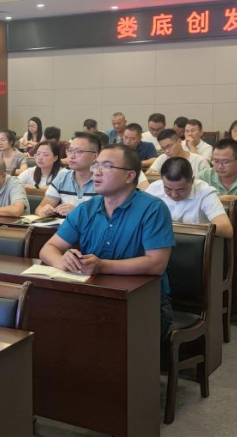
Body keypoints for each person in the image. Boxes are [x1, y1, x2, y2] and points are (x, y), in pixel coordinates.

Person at [39, 145, 175, 340]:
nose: (97, 172)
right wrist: (64, 262)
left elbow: (157, 264)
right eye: (96, 165)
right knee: (49, 321)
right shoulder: (86, 209)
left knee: (92, 335)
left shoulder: (153, 209)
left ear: (129, 176)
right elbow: (48, 249)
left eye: (107, 166)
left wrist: (102, 266)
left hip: (144, 302)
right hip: (94, 295)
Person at [146, 157, 233, 238]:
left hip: (195, 245)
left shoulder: (205, 193)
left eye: (180, 189)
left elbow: (226, 229)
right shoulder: (154, 189)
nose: (174, 195)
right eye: (168, 188)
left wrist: (184, 228)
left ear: (192, 180)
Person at [33, 132, 100, 217]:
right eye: (70, 151)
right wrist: (43, 211)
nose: (72, 156)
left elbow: (109, 218)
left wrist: (77, 212)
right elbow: (40, 208)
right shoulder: (62, 177)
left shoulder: (104, 181)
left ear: (94, 157)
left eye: (78, 151)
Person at [197, 139, 237, 206]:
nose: (220, 166)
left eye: (225, 162)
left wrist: (226, 199)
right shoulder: (204, 175)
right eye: (216, 161)